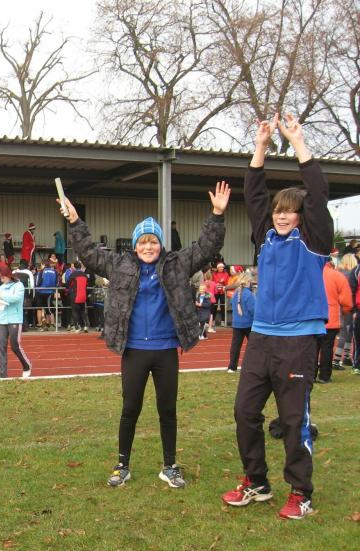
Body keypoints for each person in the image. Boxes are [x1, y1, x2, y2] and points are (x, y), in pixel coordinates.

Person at [63, 180, 229, 489]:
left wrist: (216, 215)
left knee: (168, 410)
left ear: (161, 244)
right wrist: (74, 221)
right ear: (135, 245)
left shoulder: (177, 264)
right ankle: (122, 465)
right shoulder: (119, 264)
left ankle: (170, 466)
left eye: (153, 241)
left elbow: (207, 247)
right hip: (134, 350)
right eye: (143, 242)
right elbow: (88, 253)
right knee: (130, 409)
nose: (148, 247)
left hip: (166, 350)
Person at [222, 114, 333, 520]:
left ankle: (301, 492)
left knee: (292, 419)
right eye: (278, 212)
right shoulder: (265, 238)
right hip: (262, 339)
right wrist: (261, 146)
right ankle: (257, 482)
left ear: (301, 216)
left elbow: (318, 193)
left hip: (297, 341)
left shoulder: (314, 241)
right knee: (244, 412)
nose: (282, 217)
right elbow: (254, 193)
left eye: (289, 212)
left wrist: (298, 142)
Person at [0, 263, 32, 379]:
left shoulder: (19, 285)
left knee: (15, 345)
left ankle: (26, 366)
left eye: (3, 277)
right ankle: (2, 373)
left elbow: (16, 299)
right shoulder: (1, 288)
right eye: (0, 277)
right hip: (2, 319)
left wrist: (1, 297)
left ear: (8, 275)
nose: (1, 279)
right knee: (1, 346)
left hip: (15, 319)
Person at [315, 261, 352, 383]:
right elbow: (346, 300)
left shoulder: (311, 273)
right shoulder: (337, 275)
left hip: (312, 317)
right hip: (331, 317)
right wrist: (345, 311)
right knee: (327, 347)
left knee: (312, 347)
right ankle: (324, 376)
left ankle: (310, 374)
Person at [332, 253, 357, 369]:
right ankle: (338, 359)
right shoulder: (351, 274)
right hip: (347, 305)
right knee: (346, 332)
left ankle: (344, 357)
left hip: (335, 305)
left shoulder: (337, 272)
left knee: (346, 331)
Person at [227, 272, 254, 371]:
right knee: (254, 346)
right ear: (248, 282)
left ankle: (232, 367)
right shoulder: (249, 294)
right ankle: (251, 366)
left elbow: (233, 305)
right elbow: (253, 310)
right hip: (249, 324)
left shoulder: (235, 293)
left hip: (237, 324)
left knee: (235, 346)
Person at [67, 262, 89, 333]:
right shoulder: (84, 274)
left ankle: (77, 327)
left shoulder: (73, 274)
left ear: (74, 267)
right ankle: (85, 326)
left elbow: (68, 283)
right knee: (83, 310)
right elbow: (87, 284)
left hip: (75, 294)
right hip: (83, 294)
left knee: (75, 311)